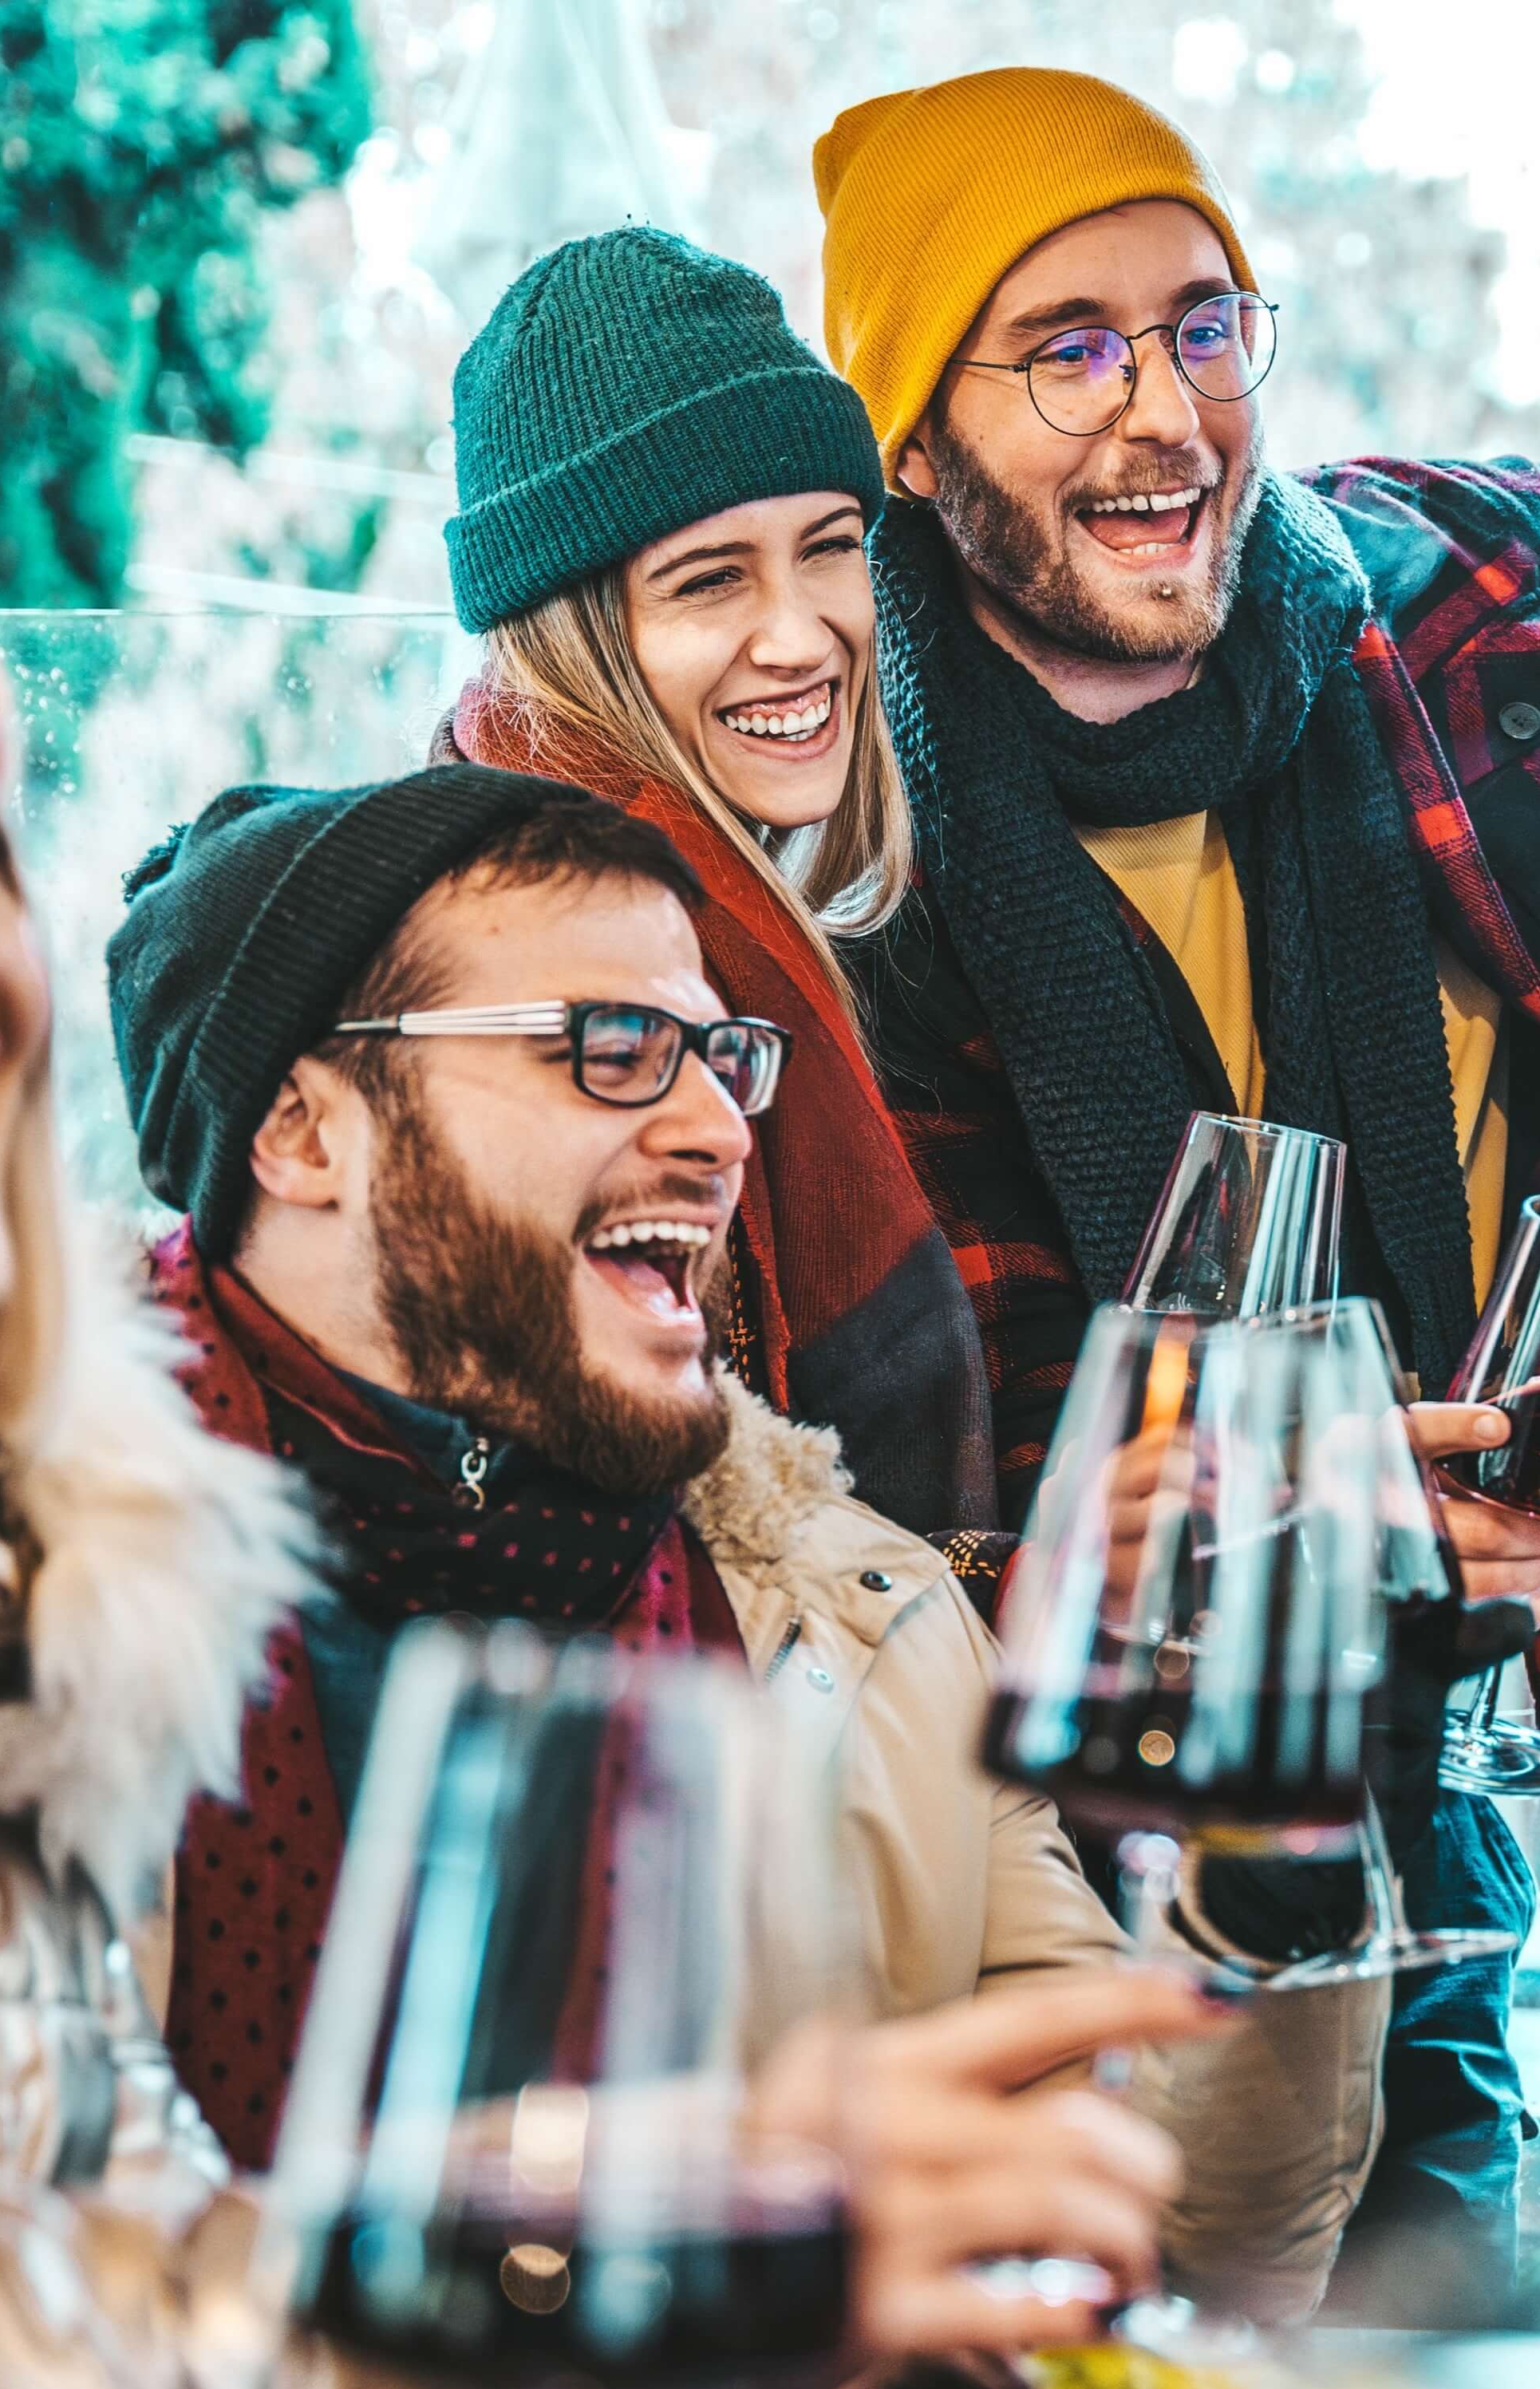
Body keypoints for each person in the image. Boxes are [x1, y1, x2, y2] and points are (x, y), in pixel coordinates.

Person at [0, 444, 1205, 2389]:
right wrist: (554, 2271)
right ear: (299, 1133)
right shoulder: (15, 1605)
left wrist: (1271, 1835)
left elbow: (68, 2285)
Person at [809, 65, 1540, 2320]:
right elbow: (907, 1479)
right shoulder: (842, 837)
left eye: (1204, 326)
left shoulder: (1415, 601)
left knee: (1447, 2333)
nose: (1166, 416)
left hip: (1445, 1770)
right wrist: (1276, 1515)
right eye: (1067, 348)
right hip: (1077, 1840)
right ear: (912, 441)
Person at [103, 765, 1381, 2323]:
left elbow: (1175, 2244)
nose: (719, 1131)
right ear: (305, 1132)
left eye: (722, 1057)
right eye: (616, 1049)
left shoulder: (874, 1622)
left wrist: (1275, 1840)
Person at [436, 225, 994, 1541]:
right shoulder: (576, 971)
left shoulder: (704, 896)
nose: (803, 636)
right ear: (574, 629)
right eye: (708, 580)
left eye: (831, 547)